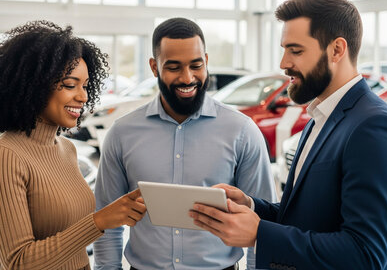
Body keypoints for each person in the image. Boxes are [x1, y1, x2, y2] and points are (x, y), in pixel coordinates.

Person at [190, 0, 387, 270]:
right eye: (284, 49)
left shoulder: (375, 128)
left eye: (295, 50)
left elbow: (365, 254)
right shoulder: (319, 117)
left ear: (336, 50)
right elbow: (306, 217)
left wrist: (260, 234)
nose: (283, 63)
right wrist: (251, 207)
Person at [93, 18, 276, 270]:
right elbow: (107, 220)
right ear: (154, 67)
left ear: (207, 62)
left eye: (196, 65)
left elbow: (262, 224)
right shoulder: (122, 133)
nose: (187, 77)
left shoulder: (242, 130)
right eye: (174, 67)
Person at [0, 21, 146, 270]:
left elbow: (74, 249)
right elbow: (18, 262)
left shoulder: (67, 149)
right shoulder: (3, 156)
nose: (83, 96)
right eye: (70, 85)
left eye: (85, 85)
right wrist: (98, 221)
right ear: (32, 86)